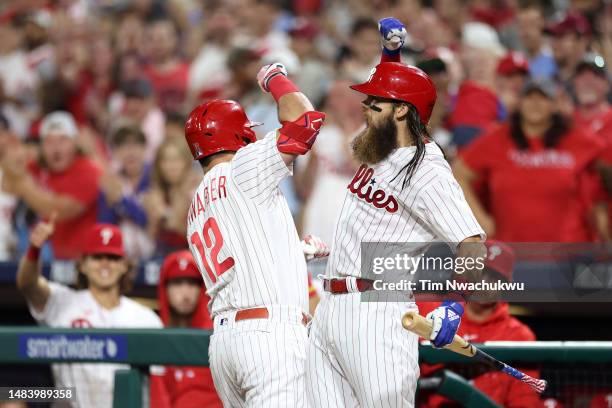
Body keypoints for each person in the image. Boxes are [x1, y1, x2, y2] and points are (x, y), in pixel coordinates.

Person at [306, 18, 484, 408]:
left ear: (402, 112)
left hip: (377, 315)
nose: (366, 107)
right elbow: (397, 89)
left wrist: (451, 306)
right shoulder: (383, 145)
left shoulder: (426, 169)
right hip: (331, 307)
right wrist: (391, 54)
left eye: (376, 104)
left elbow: (472, 245)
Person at [184, 61, 326, 406]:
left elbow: (244, 254)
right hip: (269, 339)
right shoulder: (243, 169)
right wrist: (273, 77)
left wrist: (294, 252)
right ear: (240, 134)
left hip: (225, 344)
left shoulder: (195, 204)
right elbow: (305, 121)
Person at [16, 219, 162, 408]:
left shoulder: (146, 319)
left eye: (112, 258)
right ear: (83, 264)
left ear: (124, 265)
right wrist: (34, 250)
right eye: (97, 257)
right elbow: (28, 284)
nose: (105, 264)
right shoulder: (63, 302)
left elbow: (159, 387)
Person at [453, 78, 606, 242]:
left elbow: (605, 164)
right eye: (529, 97)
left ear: (555, 104)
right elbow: (458, 174)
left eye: (543, 97)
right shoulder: (497, 139)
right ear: (520, 103)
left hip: (568, 254)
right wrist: (480, 221)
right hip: (512, 251)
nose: (535, 103)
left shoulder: (576, 140)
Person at [419, 241, 543, 408]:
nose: (484, 282)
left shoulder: (518, 335)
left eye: (495, 278)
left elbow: (523, 400)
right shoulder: (427, 310)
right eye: (479, 273)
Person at [1, 111, 101, 260]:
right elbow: (7, 181)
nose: (56, 148)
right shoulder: (37, 166)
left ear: (75, 143)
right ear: (41, 146)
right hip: (40, 257)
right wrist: (10, 150)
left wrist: (23, 185)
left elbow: (58, 211)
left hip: (79, 260)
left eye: (63, 140)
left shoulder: (88, 170)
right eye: (49, 141)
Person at [150, 250, 222, 408]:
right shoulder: (154, 331)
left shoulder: (218, 332)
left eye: (192, 283)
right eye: (177, 283)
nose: (185, 292)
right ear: (165, 288)